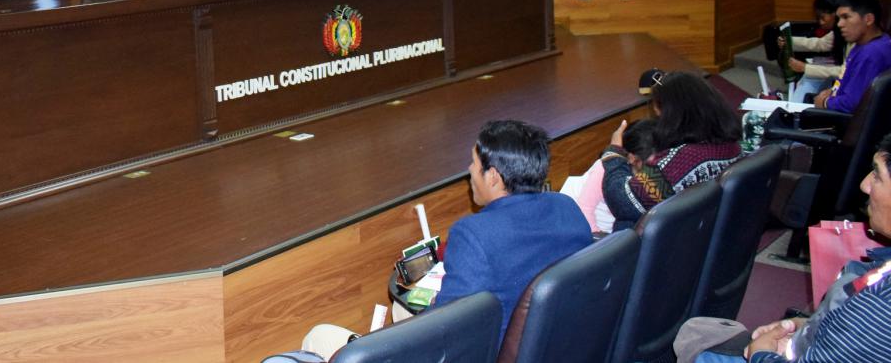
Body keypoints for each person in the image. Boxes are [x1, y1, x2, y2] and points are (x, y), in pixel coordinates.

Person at [297, 120, 592, 359]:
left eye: (474, 164)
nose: (468, 171)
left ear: (494, 178)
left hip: (483, 352)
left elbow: (446, 333)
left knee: (321, 336)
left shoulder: (474, 234)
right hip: (552, 346)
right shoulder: (566, 208)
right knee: (402, 309)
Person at [677, 131, 891, 362]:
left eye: (877, 176)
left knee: (697, 339)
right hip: (811, 342)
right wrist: (813, 324)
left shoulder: (878, 308)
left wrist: (761, 353)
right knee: (701, 329)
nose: (864, 184)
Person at [601, 72, 742, 230]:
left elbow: (623, 202)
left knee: (627, 224)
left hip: (685, 241)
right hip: (713, 230)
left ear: (674, 116)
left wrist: (614, 152)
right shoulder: (732, 145)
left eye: (660, 116)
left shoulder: (684, 160)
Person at [567, 118, 659, 233]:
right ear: (632, 158)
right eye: (653, 159)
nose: (660, 162)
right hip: (587, 224)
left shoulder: (653, 172)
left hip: (611, 227)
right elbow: (584, 210)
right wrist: (600, 242)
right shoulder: (604, 169)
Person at [811, 0, 891, 114]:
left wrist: (825, 102)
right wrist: (833, 92)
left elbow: (852, 103)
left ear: (868, 19)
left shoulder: (872, 53)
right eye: (839, 18)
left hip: (844, 125)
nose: (839, 24)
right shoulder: (868, 44)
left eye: (846, 17)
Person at [780, 0, 854, 102]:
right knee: (809, 79)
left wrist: (806, 68)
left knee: (810, 77)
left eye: (823, 17)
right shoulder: (840, 31)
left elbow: (845, 72)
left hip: (849, 89)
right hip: (843, 80)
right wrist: (788, 41)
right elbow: (823, 43)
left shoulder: (858, 39)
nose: (820, 22)